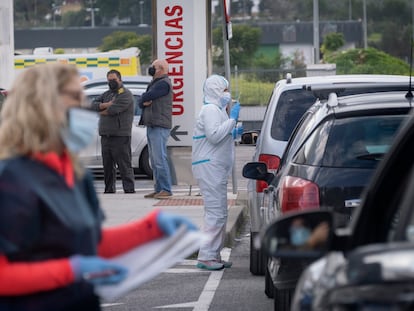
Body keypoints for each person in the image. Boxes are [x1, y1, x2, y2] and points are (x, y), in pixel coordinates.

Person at [0, 63, 198, 311]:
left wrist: (150, 229)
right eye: (74, 96)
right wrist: (71, 270)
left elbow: (87, 243)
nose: (84, 105)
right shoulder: (12, 180)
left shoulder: (72, 173)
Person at [192, 74, 242, 270]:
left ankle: (214, 254)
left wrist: (232, 131)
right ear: (215, 90)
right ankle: (206, 256)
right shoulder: (211, 110)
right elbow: (214, 136)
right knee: (215, 213)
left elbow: (217, 134)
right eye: (224, 90)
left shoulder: (216, 110)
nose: (227, 94)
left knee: (219, 213)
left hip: (214, 167)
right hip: (209, 166)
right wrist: (232, 121)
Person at [91, 69, 136, 194]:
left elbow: (113, 110)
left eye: (114, 80)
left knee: (124, 165)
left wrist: (101, 109)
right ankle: (109, 189)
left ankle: (129, 189)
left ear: (120, 80)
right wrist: (105, 105)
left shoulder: (125, 94)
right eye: (109, 80)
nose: (111, 83)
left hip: (120, 135)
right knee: (107, 166)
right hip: (106, 135)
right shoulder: (107, 94)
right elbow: (91, 105)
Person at [138, 59, 174, 199]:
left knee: (159, 159)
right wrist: (143, 100)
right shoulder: (155, 83)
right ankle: (159, 188)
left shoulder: (163, 84)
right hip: (152, 124)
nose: (151, 69)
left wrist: (144, 99)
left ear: (161, 69)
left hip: (159, 125)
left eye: (153, 67)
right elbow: (142, 101)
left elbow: (147, 96)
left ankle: (166, 189)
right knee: (154, 160)